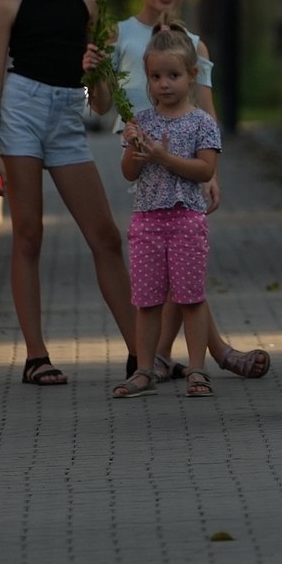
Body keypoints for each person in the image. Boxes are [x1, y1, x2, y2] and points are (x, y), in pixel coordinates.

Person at [0, 0, 142, 390]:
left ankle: (142, 352)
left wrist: (99, 69)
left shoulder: (89, 1)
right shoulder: (7, 6)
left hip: (69, 115)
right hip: (22, 112)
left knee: (106, 237)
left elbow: (102, 99)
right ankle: (36, 357)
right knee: (28, 235)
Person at [115, 0, 271, 383]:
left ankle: (177, 358)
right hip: (141, 154)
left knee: (182, 274)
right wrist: (96, 76)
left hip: (184, 161)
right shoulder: (120, 34)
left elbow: (206, 106)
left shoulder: (194, 45)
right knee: (165, 274)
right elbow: (102, 101)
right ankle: (195, 355)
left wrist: (212, 173)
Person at [113, 27, 225, 399]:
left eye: (173, 75)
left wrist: (163, 157)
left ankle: (197, 368)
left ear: (192, 75)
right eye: (156, 76)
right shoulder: (141, 122)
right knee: (147, 301)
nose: (164, 84)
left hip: (186, 220)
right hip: (146, 221)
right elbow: (129, 173)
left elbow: (205, 170)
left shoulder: (202, 123)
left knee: (190, 298)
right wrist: (134, 149)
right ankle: (145, 369)